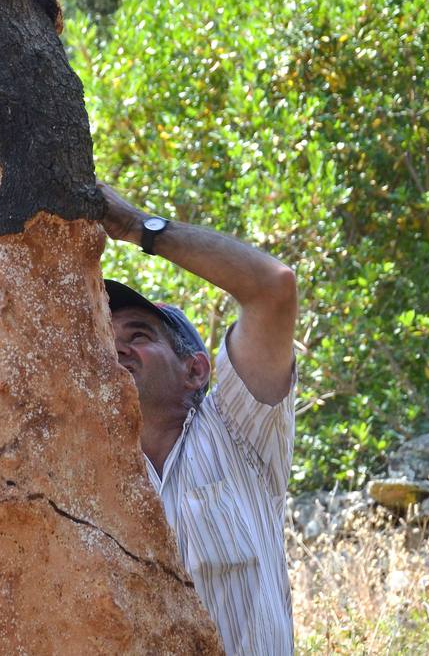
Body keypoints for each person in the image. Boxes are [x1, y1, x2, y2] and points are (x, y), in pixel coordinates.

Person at [97, 181, 298, 656]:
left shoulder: (238, 431)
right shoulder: (85, 471)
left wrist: (136, 227)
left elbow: (272, 287)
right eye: (103, 337)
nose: (117, 348)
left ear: (195, 369)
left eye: (139, 333)